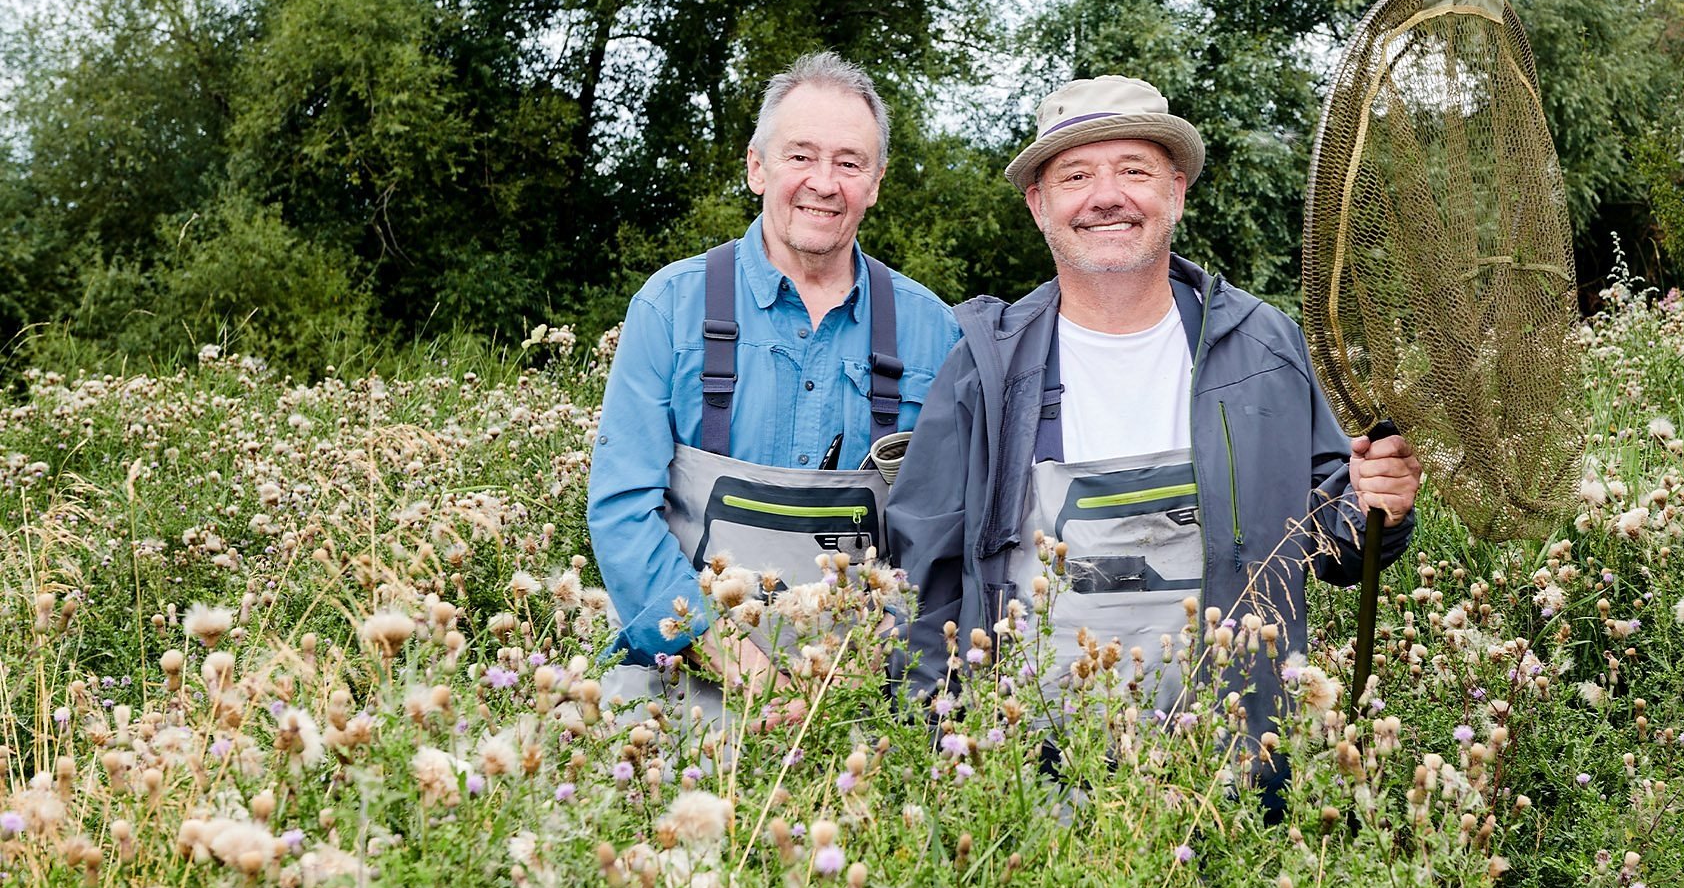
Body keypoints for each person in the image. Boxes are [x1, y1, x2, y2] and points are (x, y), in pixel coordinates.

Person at [887, 74, 1421, 802]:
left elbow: (1337, 539)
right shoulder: (984, 364)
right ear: (1040, 205)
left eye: (1133, 171)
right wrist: (937, 749)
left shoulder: (1263, 346)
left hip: (1237, 768)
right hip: (1031, 778)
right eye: (1075, 175)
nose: (1106, 196)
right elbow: (926, 575)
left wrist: (1374, 501)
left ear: (1175, 191)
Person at [588, 51, 960, 689]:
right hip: (686, 663)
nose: (824, 181)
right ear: (757, 167)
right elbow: (623, 509)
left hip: (866, 678)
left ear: (876, 182)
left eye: (849, 163)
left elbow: (941, 538)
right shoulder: (671, 307)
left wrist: (861, 668)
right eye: (800, 156)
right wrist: (737, 663)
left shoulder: (935, 330)